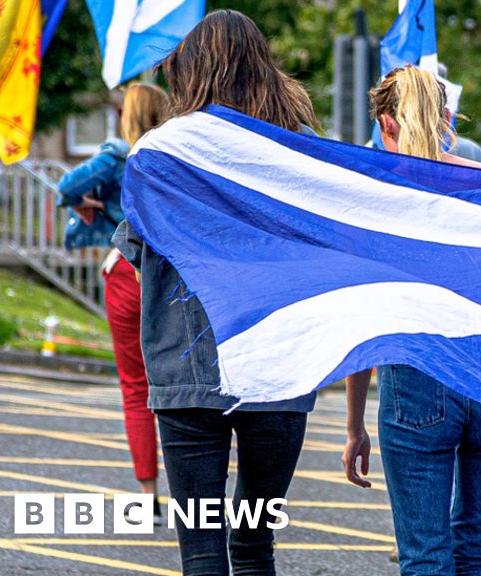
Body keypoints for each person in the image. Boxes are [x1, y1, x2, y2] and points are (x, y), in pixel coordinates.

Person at [112, 10, 320, 576]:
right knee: (255, 546)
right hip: (280, 370)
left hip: (186, 371)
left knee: (201, 549)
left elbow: (136, 253)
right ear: (264, 66)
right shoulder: (301, 151)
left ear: (192, 70)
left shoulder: (159, 152)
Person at [341, 65, 481, 576]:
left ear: (385, 123)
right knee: (478, 553)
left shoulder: (373, 201)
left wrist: (356, 424)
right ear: (448, 119)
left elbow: (366, 320)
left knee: (425, 556)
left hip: (417, 381)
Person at [57, 83, 168, 522]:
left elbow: (67, 184)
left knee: (137, 388)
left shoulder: (118, 155)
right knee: (181, 388)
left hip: (125, 271)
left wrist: (90, 203)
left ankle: (147, 497)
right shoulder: (171, 157)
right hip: (169, 275)